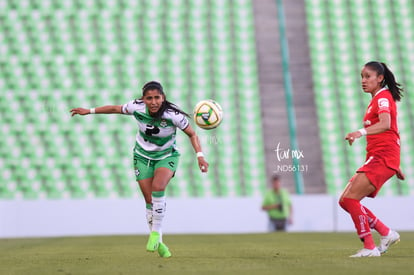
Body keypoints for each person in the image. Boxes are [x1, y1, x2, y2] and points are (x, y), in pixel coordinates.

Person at [70, 81, 209, 258]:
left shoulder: (173, 115)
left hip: (167, 156)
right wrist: (89, 111)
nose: (153, 102)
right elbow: (114, 109)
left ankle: (155, 233)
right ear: (143, 99)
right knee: (150, 201)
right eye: (149, 98)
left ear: (163, 97)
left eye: (157, 97)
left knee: (158, 187)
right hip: (142, 156)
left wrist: (200, 156)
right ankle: (160, 244)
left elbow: (192, 134)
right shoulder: (136, 107)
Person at [340, 61, 405, 257]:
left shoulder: (383, 98)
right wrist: (396, 165)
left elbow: (386, 124)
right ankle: (386, 233)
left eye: (368, 76)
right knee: (345, 201)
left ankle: (370, 247)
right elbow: (392, 131)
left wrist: (359, 133)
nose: (363, 80)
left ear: (380, 78)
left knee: (351, 199)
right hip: (381, 158)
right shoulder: (376, 99)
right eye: (362, 76)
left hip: (382, 158)